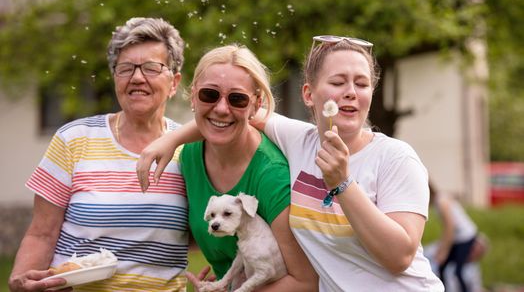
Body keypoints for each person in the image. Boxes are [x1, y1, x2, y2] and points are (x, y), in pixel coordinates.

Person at [138, 35, 445, 291]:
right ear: (309, 94)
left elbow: (400, 256)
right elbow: (228, 113)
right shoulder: (298, 140)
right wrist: (171, 139)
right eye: (338, 82)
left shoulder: (396, 158)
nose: (351, 92)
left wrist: (342, 184)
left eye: (361, 84)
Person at [8, 17, 189, 291]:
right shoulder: (74, 139)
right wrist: (23, 280)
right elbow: (42, 233)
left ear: (174, 83)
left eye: (152, 68)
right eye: (126, 68)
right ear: (115, 78)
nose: (137, 78)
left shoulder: (190, 149)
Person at [138, 44, 318, 291]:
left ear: (256, 105)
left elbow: (306, 282)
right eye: (209, 95)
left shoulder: (271, 175)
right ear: (193, 97)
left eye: (237, 99)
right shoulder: (190, 156)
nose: (222, 109)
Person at [429, 181, 479, 292]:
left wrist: (444, 251)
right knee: (442, 267)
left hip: (466, 237)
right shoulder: (441, 198)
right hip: (458, 238)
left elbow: (450, 228)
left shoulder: (441, 201)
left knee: (458, 271)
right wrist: (441, 248)